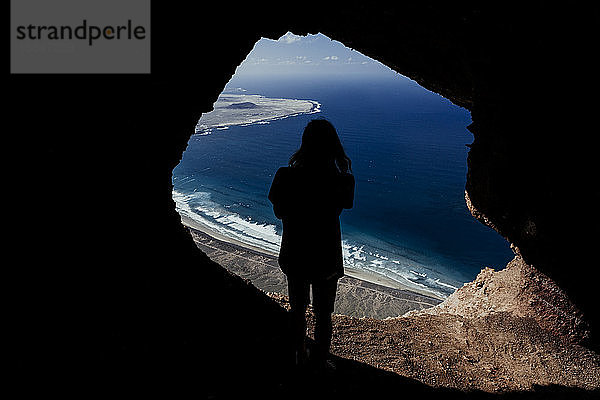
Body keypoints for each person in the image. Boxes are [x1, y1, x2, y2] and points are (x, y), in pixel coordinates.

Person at [268, 119, 355, 369]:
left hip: (294, 252)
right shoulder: (343, 181)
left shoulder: (285, 176)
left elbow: (279, 211)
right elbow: (341, 206)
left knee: (297, 308)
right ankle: (319, 363)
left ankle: (297, 357)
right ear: (334, 146)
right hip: (326, 256)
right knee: (323, 313)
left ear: (304, 143)